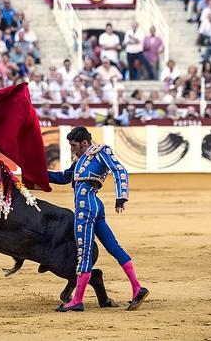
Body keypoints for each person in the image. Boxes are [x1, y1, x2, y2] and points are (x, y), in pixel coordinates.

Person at [48, 127, 148, 312]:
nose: (71, 148)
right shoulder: (80, 160)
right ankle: (137, 288)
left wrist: (121, 196)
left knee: (84, 251)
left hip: (86, 207)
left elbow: (119, 170)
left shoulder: (100, 151)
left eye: (74, 145)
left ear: (85, 143)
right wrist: (37, 174)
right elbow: (63, 178)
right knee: (113, 247)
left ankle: (77, 300)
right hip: (95, 205)